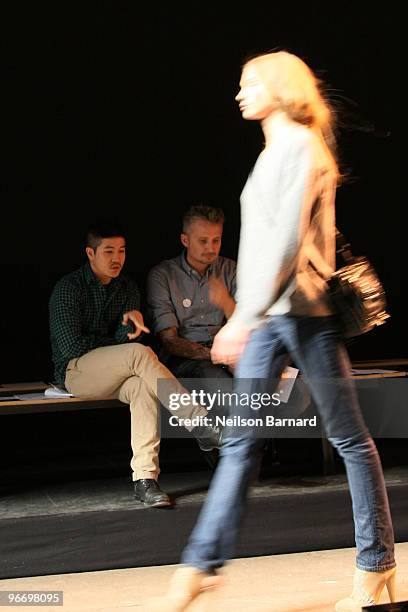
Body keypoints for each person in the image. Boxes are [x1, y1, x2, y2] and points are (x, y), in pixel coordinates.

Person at [158, 51, 396, 610]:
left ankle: (376, 563)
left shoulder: (303, 150)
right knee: (241, 444)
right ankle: (199, 566)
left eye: (250, 82)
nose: (239, 92)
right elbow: (265, 246)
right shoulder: (273, 152)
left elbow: (288, 244)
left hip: (305, 316)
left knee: (349, 440)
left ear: (281, 86)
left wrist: (240, 316)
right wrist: (251, 314)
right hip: (269, 317)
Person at [49, 222, 223, 508]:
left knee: (143, 385)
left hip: (116, 372)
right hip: (75, 373)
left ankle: (145, 479)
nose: (117, 258)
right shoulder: (69, 289)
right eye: (108, 251)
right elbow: (71, 347)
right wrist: (119, 343)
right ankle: (200, 423)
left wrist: (127, 327)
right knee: (138, 353)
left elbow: (122, 344)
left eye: (122, 250)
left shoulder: (127, 288)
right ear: (90, 253)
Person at [147, 205, 236, 408]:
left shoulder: (229, 270)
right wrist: (217, 356)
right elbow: (169, 341)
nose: (211, 248)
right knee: (226, 394)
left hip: (231, 354)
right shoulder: (163, 275)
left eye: (216, 240)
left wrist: (227, 303)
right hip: (187, 359)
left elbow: (247, 326)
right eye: (203, 241)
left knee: (291, 392)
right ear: (185, 240)